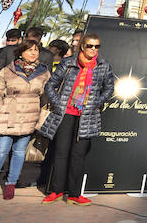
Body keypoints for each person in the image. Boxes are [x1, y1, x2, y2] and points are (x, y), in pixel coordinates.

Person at [39, 33, 115, 206]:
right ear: (82, 46)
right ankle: (56, 191)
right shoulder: (68, 63)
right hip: (65, 114)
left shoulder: (103, 66)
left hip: (87, 116)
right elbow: (50, 84)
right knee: (60, 152)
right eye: (90, 46)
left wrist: (97, 101)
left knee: (78, 155)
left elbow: (109, 88)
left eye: (97, 46)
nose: (93, 50)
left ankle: (74, 194)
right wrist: (59, 104)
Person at [0, 41, 51, 201]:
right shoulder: (8, 70)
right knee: (0, 150)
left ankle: (11, 183)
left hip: (30, 115)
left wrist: (42, 116)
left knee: (19, 152)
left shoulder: (44, 72)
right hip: (8, 114)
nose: (33, 53)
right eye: (29, 50)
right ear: (20, 52)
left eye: (36, 50)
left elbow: (47, 95)